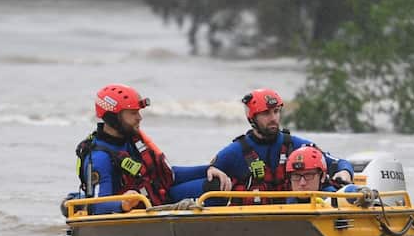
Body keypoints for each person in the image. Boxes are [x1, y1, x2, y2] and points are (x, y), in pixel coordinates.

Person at [73, 84, 209, 215]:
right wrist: (123, 204)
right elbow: (98, 206)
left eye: (138, 112)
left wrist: (212, 168)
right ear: (113, 117)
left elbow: (166, 175)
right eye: (133, 113)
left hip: (158, 197)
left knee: (217, 181)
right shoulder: (99, 158)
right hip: (137, 213)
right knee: (214, 186)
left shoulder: (131, 140)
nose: (139, 118)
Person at [204, 88, 354, 202]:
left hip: (294, 215)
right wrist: (213, 169)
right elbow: (208, 172)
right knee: (213, 185)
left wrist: (345, 172)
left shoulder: (296, 145)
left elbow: (337, 163)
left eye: (276, 112)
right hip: (253, 221)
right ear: (252, 118)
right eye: (266, 114)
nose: (273, 118)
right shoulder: (236, 151)